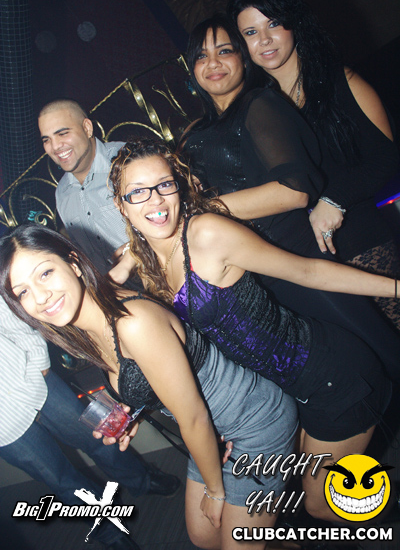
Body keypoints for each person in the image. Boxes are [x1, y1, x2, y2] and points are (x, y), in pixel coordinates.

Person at [109, 138, 396, 521]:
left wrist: (396, 288)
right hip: (286, 394)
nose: (156, 200)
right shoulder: (147, 267)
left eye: (164, 185)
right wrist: (137, 408)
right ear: (121, 204)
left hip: (330, 374)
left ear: (178, 185)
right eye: (138, 192)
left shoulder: (207, 234)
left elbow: (308, 271)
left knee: (321, 503)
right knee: (304, 496)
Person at [0, 225, 299, 550]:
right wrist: (134, 413)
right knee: (204, 537)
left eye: (45, 273)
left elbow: (194, 417)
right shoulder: (83, 329)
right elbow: (157, 377)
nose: (40, 297)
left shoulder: (133, 323)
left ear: (73, 263)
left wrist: (216, 491)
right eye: (22, 292)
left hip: (255, 420)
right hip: (216, 428)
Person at [177, 13, 400, 365]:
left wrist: (206, 210)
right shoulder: (194, 132)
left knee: (379, 357)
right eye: (202, 56)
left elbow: (294, 191)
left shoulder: (259, 104)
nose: (213, 63)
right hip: (257, 284)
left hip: (301, 263)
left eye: (225, 51)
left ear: (243, 58)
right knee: (342, 379)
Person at [228, 0, 400, 329]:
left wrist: (335, 200)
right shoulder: (254, 109)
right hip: (306, 267)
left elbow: (387, 156)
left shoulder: (341, 82)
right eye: (251, 32)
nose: (264, 40)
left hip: (361, 245)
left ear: (293, 23)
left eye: (273, 23)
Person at [0, 296, 181, 550]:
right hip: (4, 425)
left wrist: (40, 362)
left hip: (32, 379)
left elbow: (11, 319)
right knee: (60, 479)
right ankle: (109, 532)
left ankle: (141, 480)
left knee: (97, 437)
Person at [38, 99, 129, 276]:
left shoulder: (127, 161)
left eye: (62, 133)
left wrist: (134, 250)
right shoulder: (62, 192)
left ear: (87, 128)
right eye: (47, 140)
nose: (55, 147)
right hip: (112, 290)